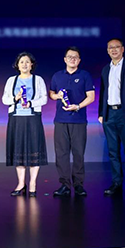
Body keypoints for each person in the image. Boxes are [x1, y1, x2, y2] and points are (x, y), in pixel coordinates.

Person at [98, 38, 125, 196]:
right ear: (107, 50)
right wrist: (101, 113)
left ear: (123, 49)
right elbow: (103, 92)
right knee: (113, 151)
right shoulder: (106, 69)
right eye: (111, 47)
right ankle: (116, 183)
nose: (114, 49)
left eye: (117, 47)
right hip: (109, 114)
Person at [49, 46, 95, 197]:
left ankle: (79, 185)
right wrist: (56, 96)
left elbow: (91, 97)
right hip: (60, 120)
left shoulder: (85, 75)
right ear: (65, 59)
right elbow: (52, 93)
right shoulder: (57, 76)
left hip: (79, 120)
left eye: (75, 57)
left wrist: (78, 106)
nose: (72, 59)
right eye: (69, 57)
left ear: (79, 60)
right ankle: (65, 184)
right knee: (61, 153)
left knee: (78, 153)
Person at [2, 52, 48, 197]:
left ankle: (33, 183)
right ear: (17, 65)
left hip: (33, 118)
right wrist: (15, 98)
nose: (24, 64)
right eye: (21, 62)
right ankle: (21, 183)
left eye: (27, 62)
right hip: (16, 118)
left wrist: (31, 103)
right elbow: (4, 99)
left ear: (32, 65)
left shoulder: (38, 80)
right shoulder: (11, 80)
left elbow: (44, 99)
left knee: (34, 150)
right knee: (19, 151)